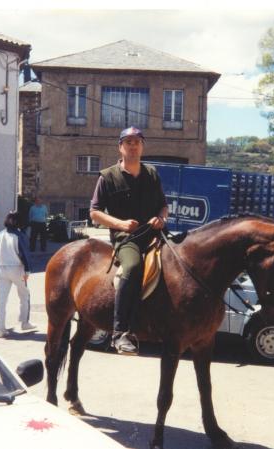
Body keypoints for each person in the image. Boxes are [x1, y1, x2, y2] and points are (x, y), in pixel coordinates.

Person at [89, 126, 168, 355]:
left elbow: (163, 206)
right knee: (133, 266)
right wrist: (121, 224)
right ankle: (120, 332)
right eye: (128, 142)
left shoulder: (152, 173)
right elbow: (94, 213)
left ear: (142, 146)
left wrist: (161, 218)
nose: (133, 146)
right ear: (120, 147)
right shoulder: (108, 176)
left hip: (154, 234)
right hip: (127, 238)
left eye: (137, 142)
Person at [0, 211, 36, 338]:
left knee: (1, 300)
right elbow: (24, 254)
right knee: (24, 295)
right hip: (17, 269)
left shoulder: (0, 234)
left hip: (1, 268)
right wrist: (27, 270)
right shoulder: (19, 235)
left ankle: (0, 329)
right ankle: (24, 323)